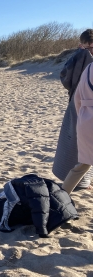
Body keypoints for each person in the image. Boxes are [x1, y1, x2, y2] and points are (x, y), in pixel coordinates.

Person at [53, 29, 93, 189]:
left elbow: (76, 98)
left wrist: (82, 114)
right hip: (85, 114)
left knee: (83, 161)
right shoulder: (85, 63)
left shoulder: (86, 68)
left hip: (84, 115)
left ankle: (63, 194)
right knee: (83, 159)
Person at [62, 63, 93, 194]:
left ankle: (61, 197)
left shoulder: (89, 67)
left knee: (83, 164)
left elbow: (77, 98)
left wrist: (83, 116)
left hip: (85, 119)